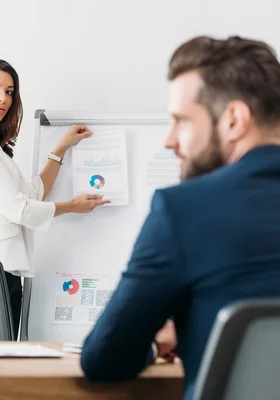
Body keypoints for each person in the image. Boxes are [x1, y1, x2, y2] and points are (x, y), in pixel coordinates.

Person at [80, 35, 280, 399]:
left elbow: (104, 360)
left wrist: (160, 340)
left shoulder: (183, 210)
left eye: (181, 121)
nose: (170, 141)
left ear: (234, 119)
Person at [0, 59, 109, 339]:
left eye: (10, 92)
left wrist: (61, 148)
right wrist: (72, 207)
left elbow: (33, 194)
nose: (3, 98)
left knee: (0, 358)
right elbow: (20, 209)